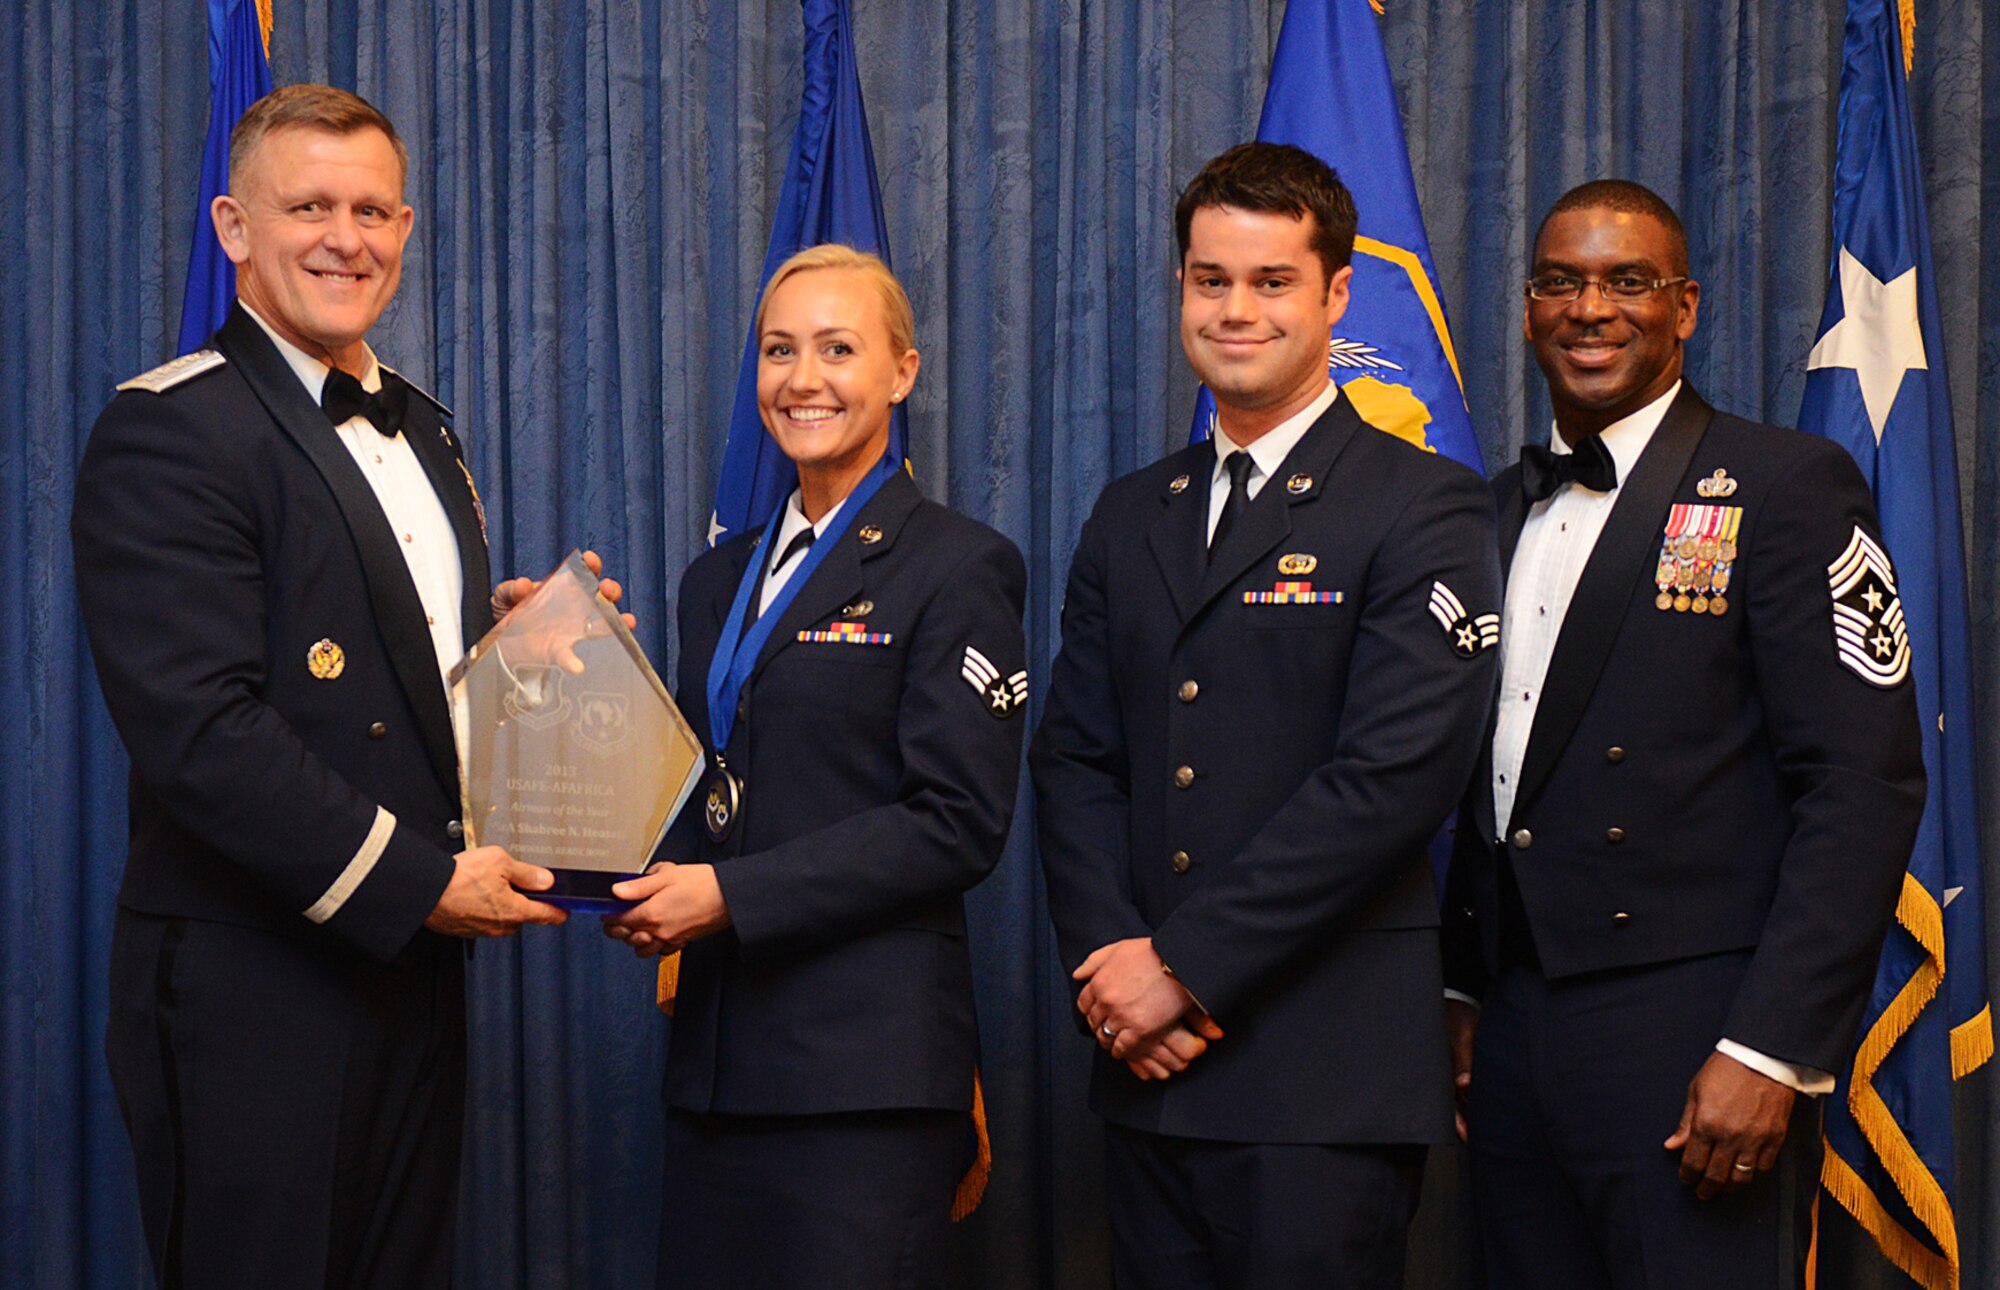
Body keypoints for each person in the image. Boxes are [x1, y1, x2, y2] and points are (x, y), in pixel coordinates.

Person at [73, 84, 598, 1288]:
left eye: (371, 210)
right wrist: (420, 885)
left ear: (406, 231)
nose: (344, 238)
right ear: (233, 225)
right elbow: (199, 730)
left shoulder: (427, 434)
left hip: (411, 966)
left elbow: (402, 685)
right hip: (254, 981)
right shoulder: (171, 431)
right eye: (308, 205)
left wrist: (525, 653)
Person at [1031, 142, 1502, 1288]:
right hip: (1147, 1068)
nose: (1234, 310)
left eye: (1270, 281)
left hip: (1321, 1083)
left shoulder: (1422, 502)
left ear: (1335, 293)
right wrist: (1110, 967)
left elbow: (1391, 778)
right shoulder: (1133, 509)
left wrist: (1179, 969)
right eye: (1208, 280)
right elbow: (1076, 760)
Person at [1441, 180, 1925, 1287]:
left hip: (1694, 1029)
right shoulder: (1483, 511)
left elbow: (1861, 782)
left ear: (1684, 307)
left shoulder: (1785, 485)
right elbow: (1477, 778)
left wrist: (1771, 1048)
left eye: (1626, 282)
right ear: (1525, 309)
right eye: (1560, 282)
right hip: (1511, 1032)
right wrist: (1463, 989)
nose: (1589, 309)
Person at [603, 244, 1028, 1290]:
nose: (803, 379)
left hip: (862, 1082)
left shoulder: (956, 566)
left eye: (838, 349)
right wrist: (564, 672)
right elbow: (699, 794)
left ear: (902, 371)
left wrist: (726, 897)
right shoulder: (714, 580)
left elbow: (955, 821)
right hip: (715, 1070)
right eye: (779, 349)